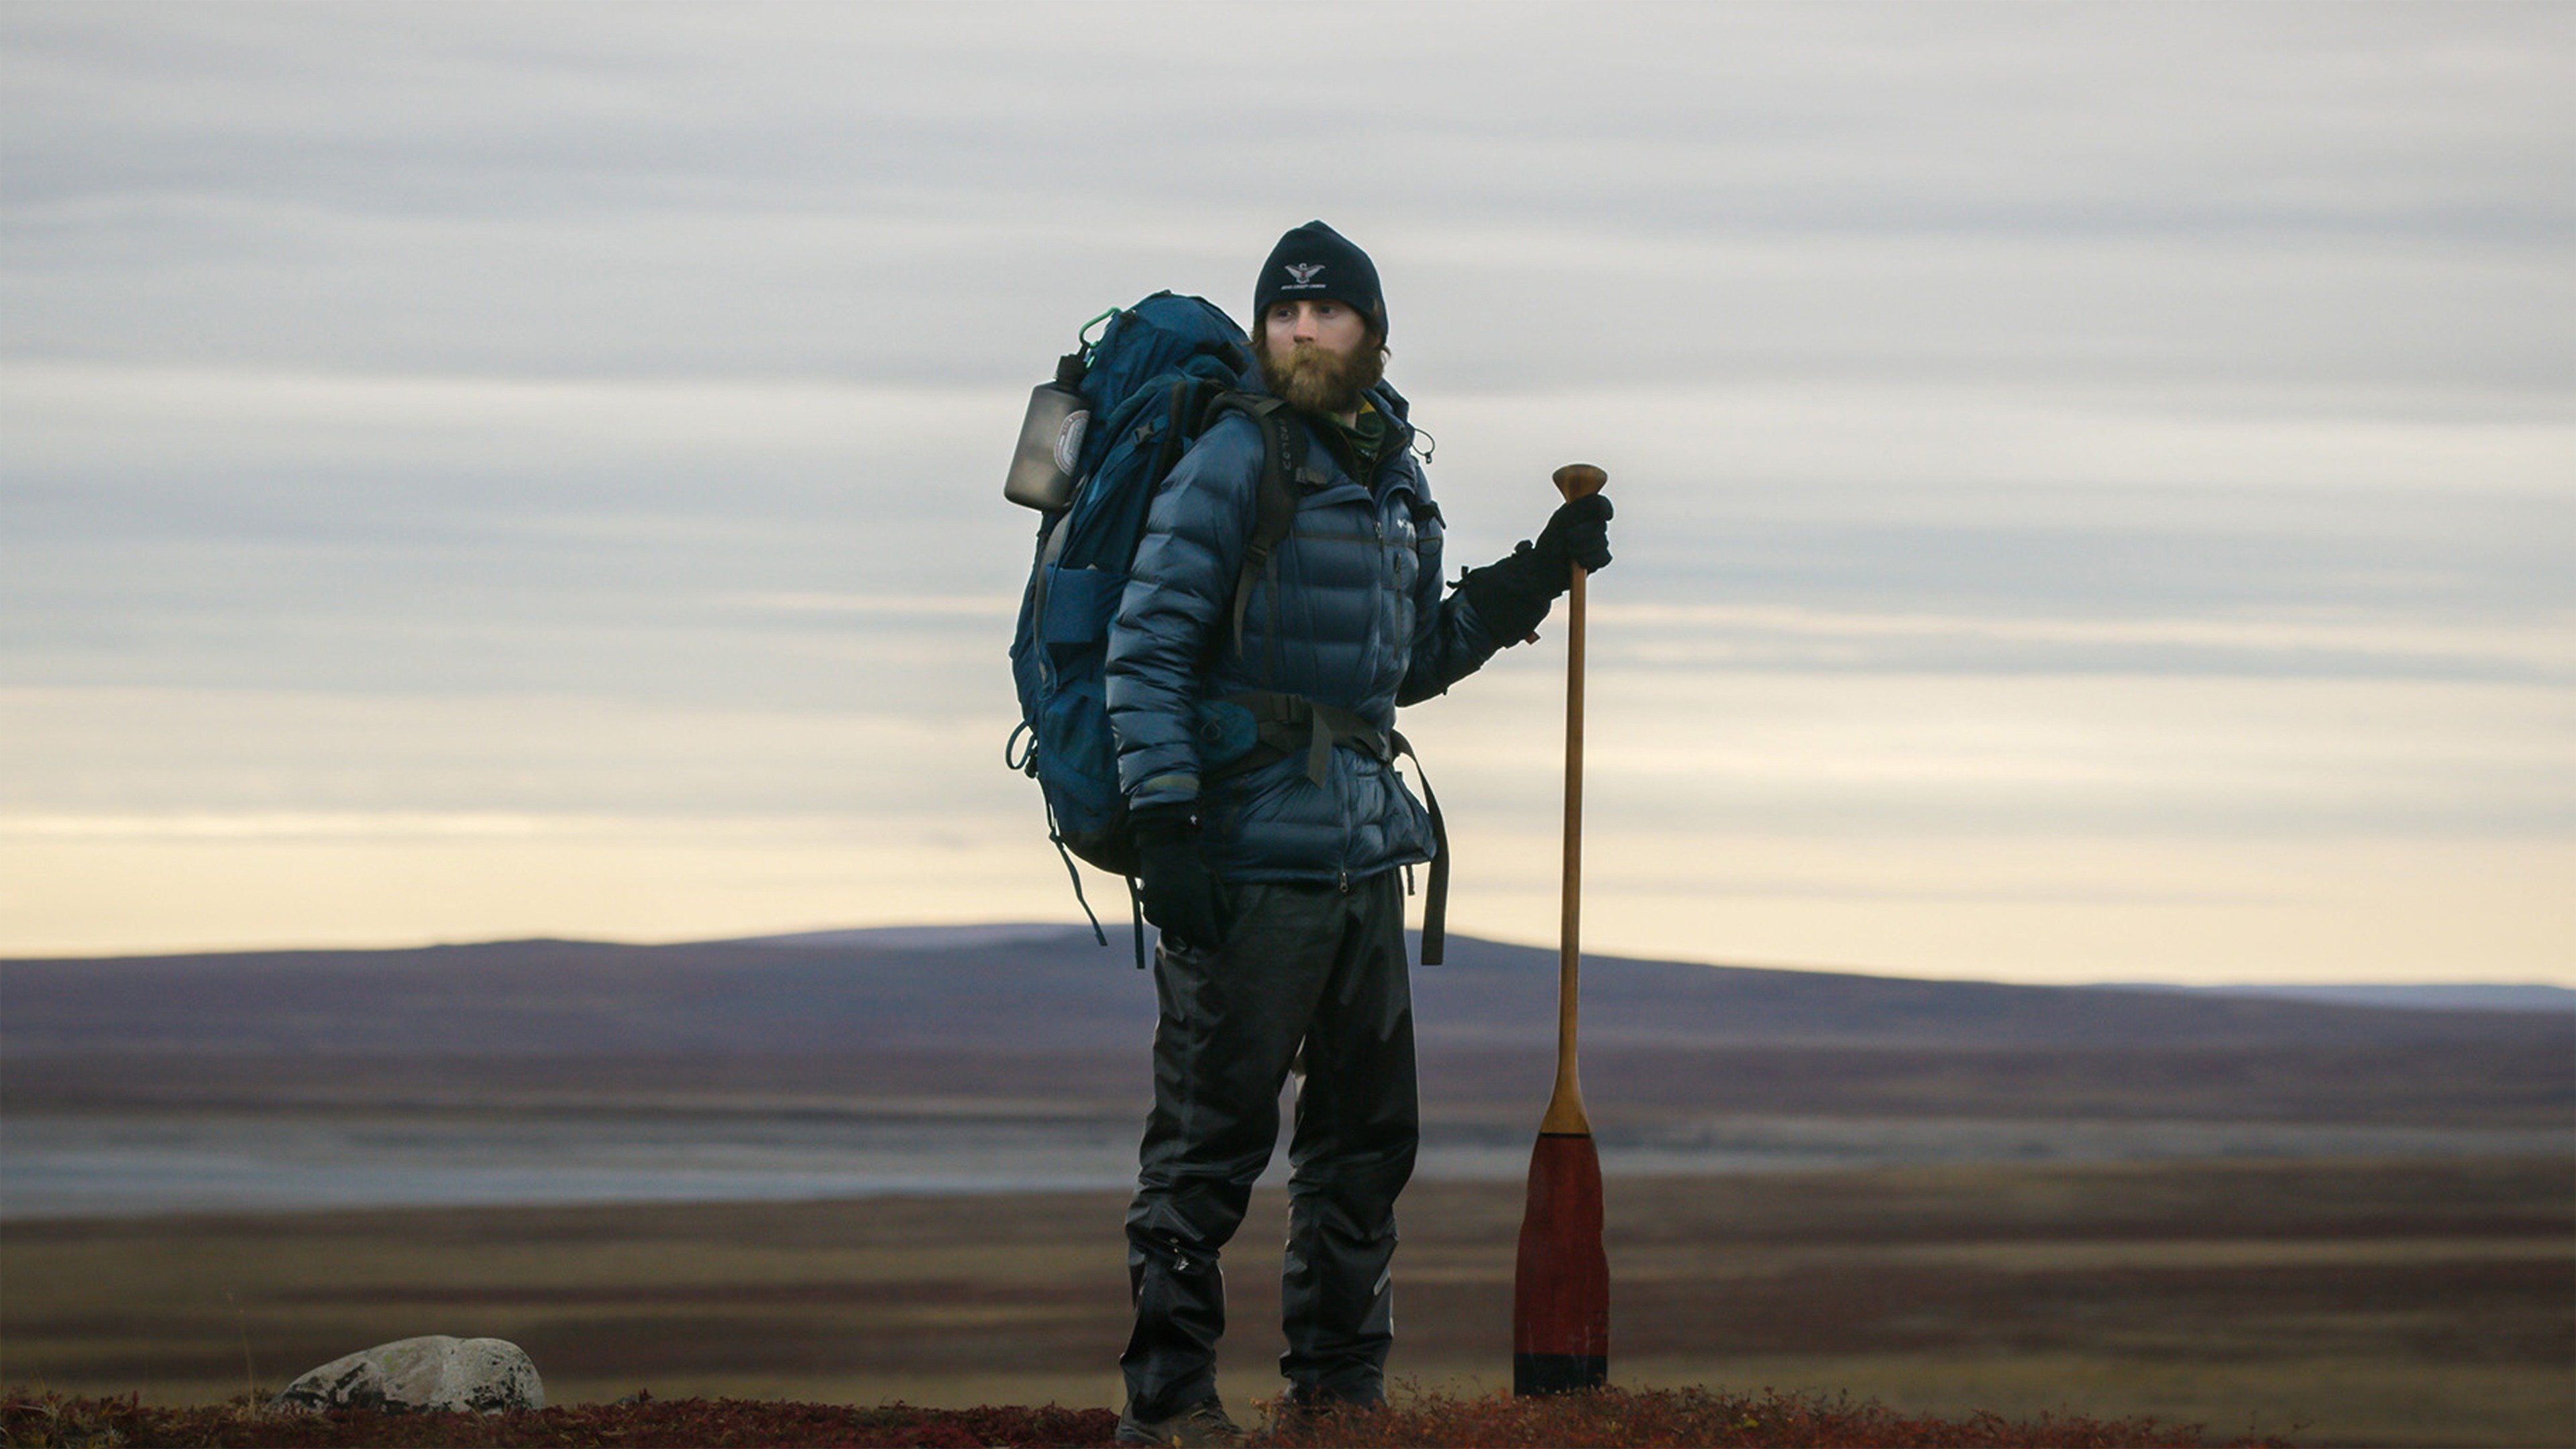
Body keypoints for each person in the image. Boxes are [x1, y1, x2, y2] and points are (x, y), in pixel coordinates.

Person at [1104, 220, 1613, 1446]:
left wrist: (1529, 578)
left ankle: (1338, 1400)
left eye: (1327, 314)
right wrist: (1166, 825)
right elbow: (1150, 642)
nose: (1303, 333)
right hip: (1245, 861)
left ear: (1371, 334)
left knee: (1364, 1145)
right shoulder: (1234, 462)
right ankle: (1168, 1409)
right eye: (1284, 314)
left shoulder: (1392, 474)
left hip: (1363, 858)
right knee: (1208, 1150)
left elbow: (1402, 665)